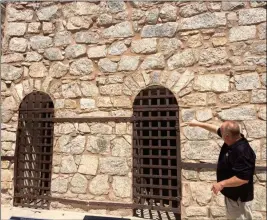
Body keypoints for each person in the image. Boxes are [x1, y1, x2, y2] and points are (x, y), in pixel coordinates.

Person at [186, 120, 256, 220]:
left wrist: (221, 184)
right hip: (233, 196)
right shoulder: (233, 137)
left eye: (221, 133)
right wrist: (198, 123)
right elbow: (215, 129)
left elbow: (243, 178)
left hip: (239, 201)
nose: (219, 133)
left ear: (227, 136)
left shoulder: (243, 152)